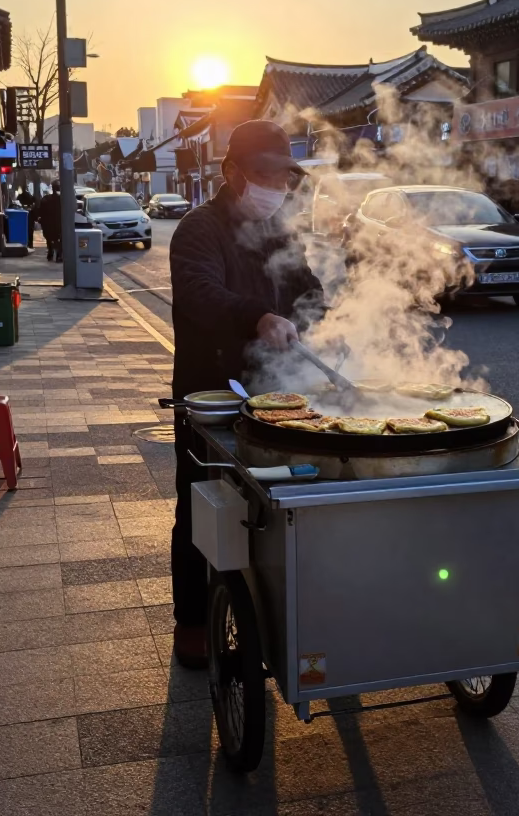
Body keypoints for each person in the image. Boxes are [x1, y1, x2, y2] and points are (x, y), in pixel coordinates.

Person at [169, 120, 324, 668]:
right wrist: (256, 318)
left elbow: (308, 288)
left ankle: (279, 606)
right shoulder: (198, 229)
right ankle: (190, 621)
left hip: (276, 396)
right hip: (210, 395)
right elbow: (199, 293)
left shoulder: (280, 229)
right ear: (232, 172)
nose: (276, 188)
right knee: (200, 507)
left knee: (277, 505)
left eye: (283, 177)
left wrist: (326, 319)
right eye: (265, 175)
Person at [35, 180, 63, 262]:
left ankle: (53, 253)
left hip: (49, 224)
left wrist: (40, 219)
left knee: (51, 238)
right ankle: (57, 254)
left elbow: (40, 211)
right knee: (58, 239)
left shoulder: (46, 199)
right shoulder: (61, 200)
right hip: (56, 223)